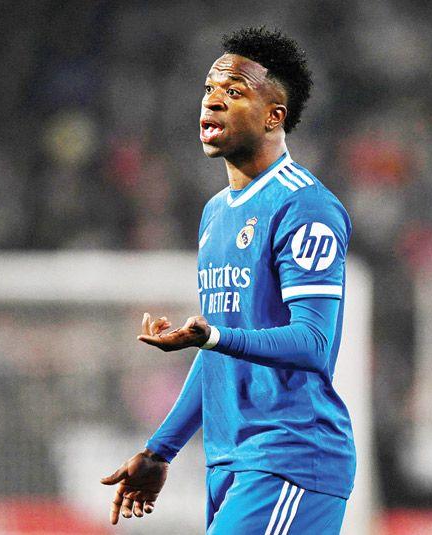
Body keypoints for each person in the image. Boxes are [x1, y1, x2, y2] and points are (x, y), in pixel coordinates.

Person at [101, 26, 355, 534]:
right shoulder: (216, 213)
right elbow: (220, 352)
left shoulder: (305, 206)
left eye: (234, 92)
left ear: (274, 116)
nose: (212, 101)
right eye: (209, 89)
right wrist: (160, 450)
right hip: (232, 460)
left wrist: (215, 335)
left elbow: (314, 342)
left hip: (290, 457)